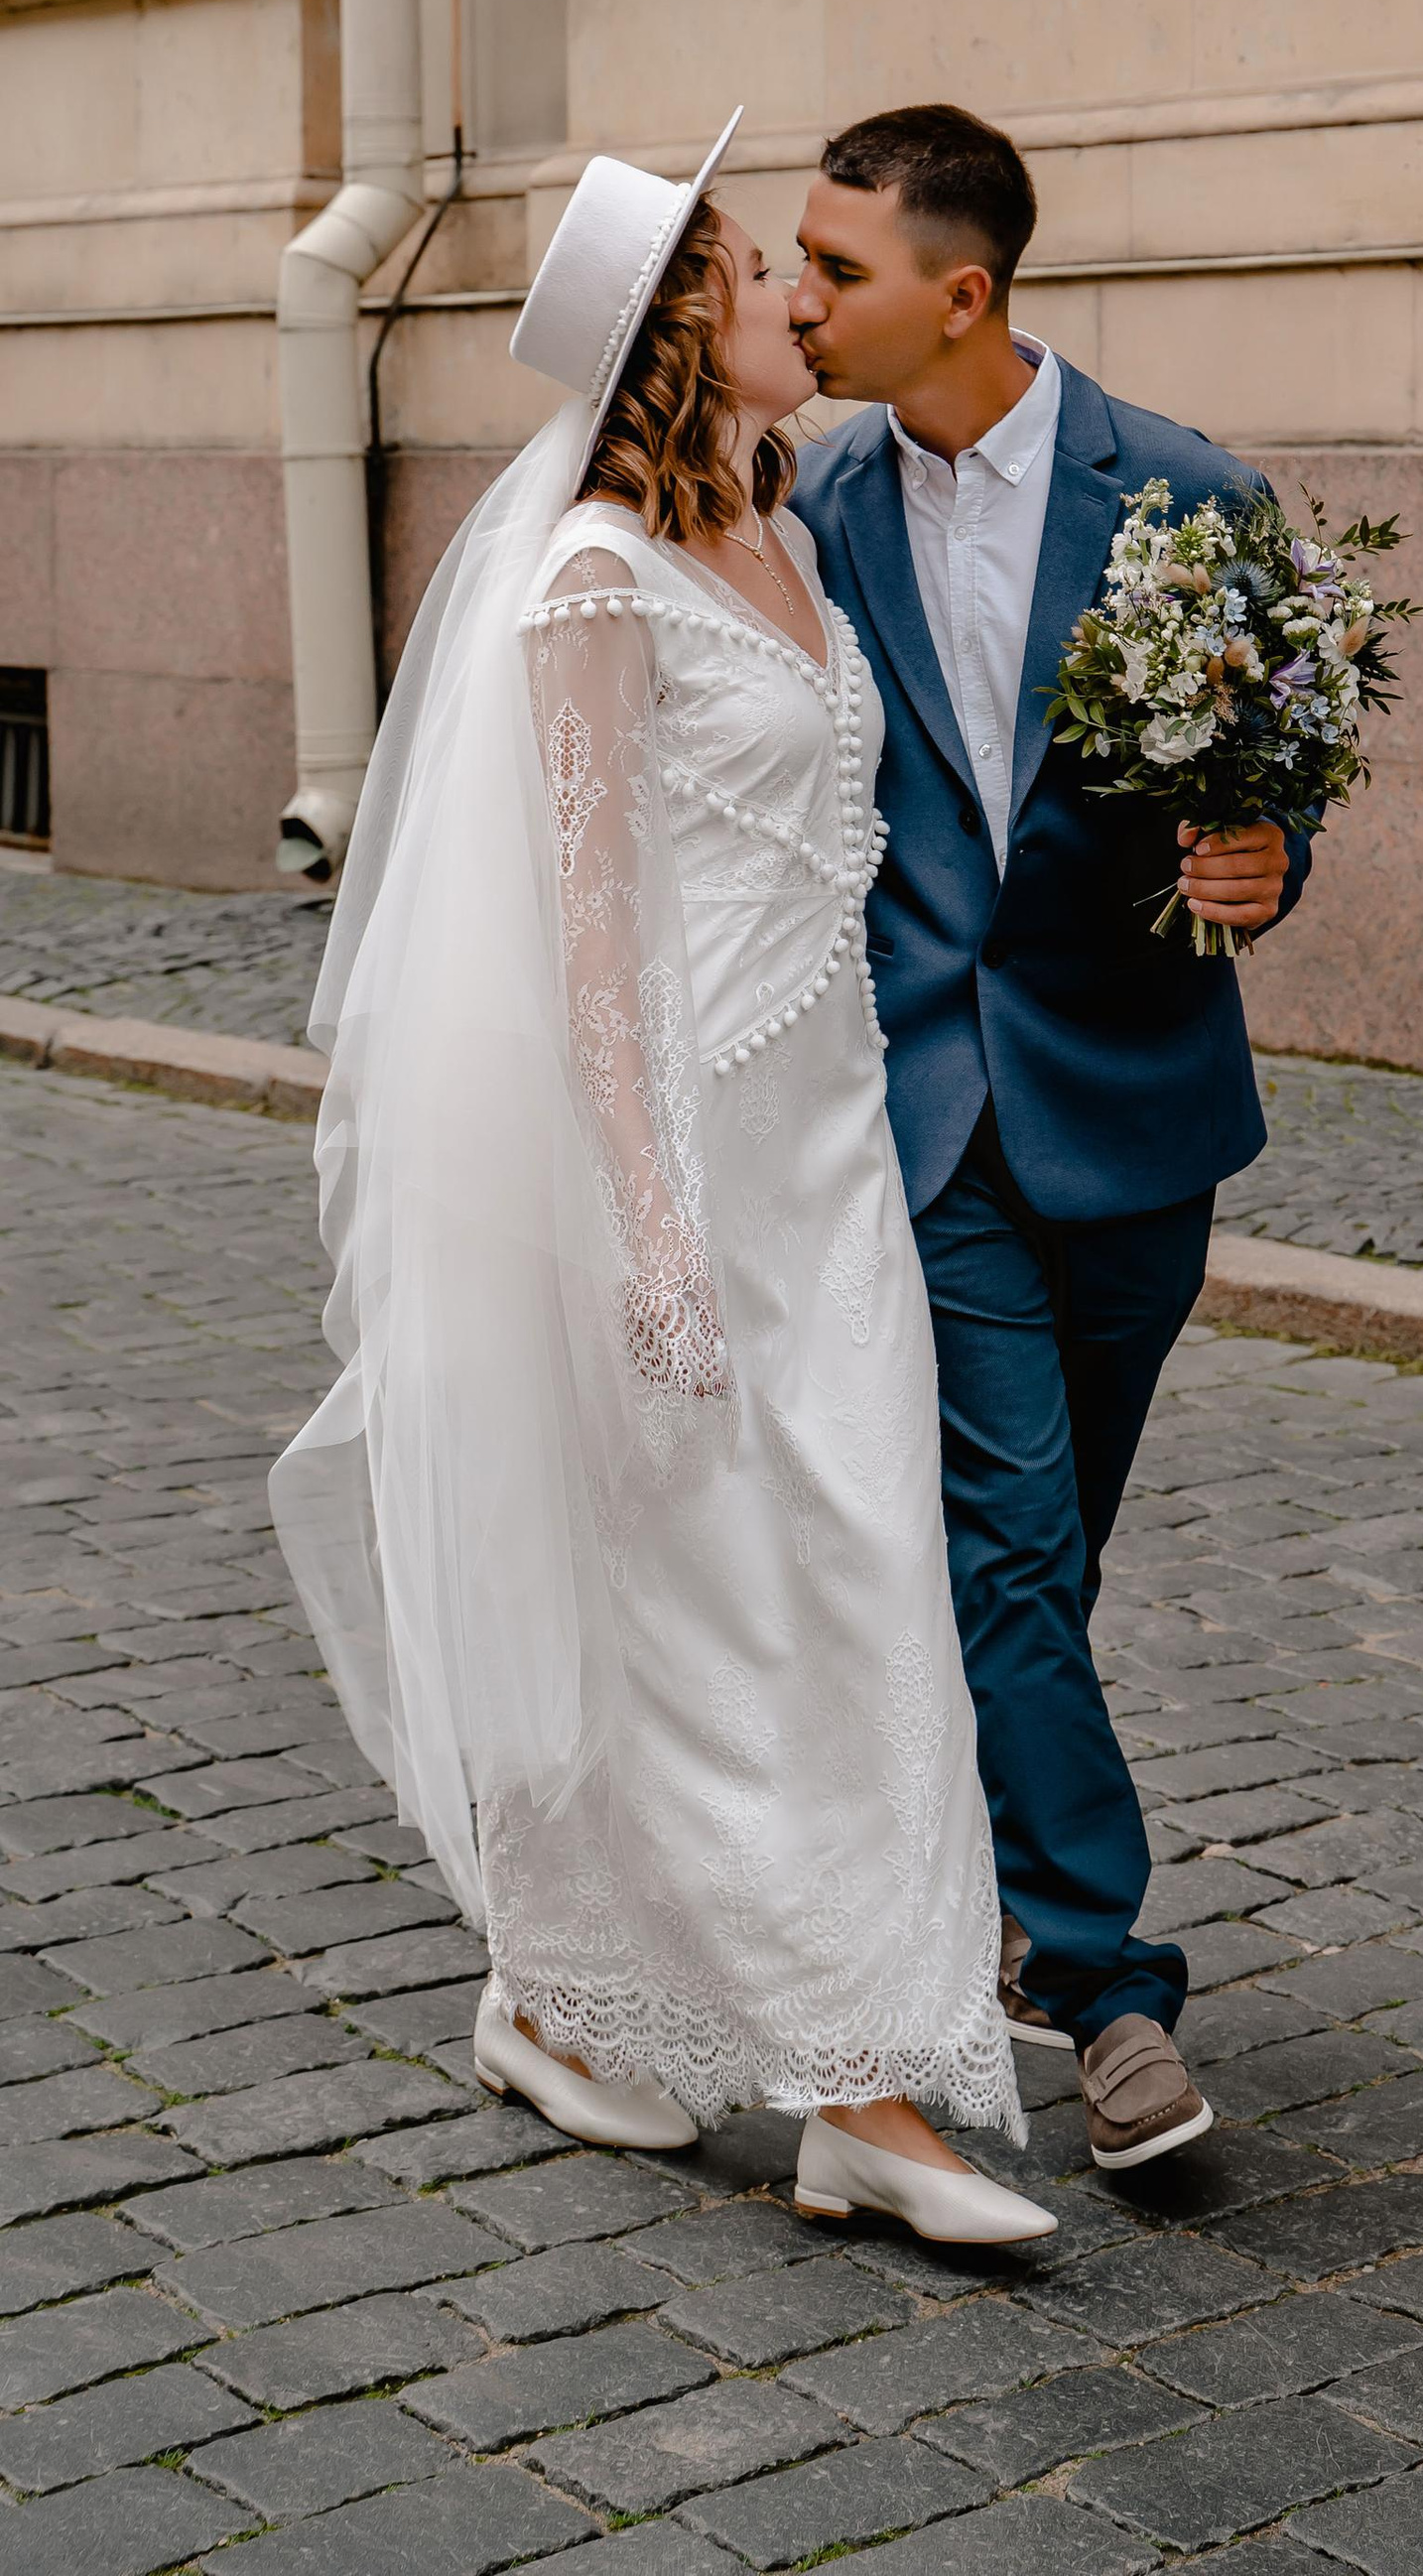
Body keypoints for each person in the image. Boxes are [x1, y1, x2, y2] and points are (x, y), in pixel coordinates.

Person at [270, 114, 1053, 2249]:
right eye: (755, 272)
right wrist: (647, 1229)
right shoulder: (592, 578)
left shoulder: (785, 534)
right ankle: (860, 2100)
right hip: (687, 1156)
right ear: (683, 330)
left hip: (835, 1155)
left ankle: (561, 1996)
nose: (798, 294)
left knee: (858, 1579)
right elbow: (592, 940)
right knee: (725, 1605)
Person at [789, 104, 1308, 2174]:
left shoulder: (1187, 496)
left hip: (1139, 1102)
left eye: (835, 269)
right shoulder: (812, 509)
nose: (801, 303)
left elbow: (1272, 779)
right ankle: (1107, 1986)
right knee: (1005, 1539)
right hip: (926, 1115)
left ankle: (975, 1886)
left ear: (962, 293)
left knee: (1045, 1552)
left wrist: (1268, 861)